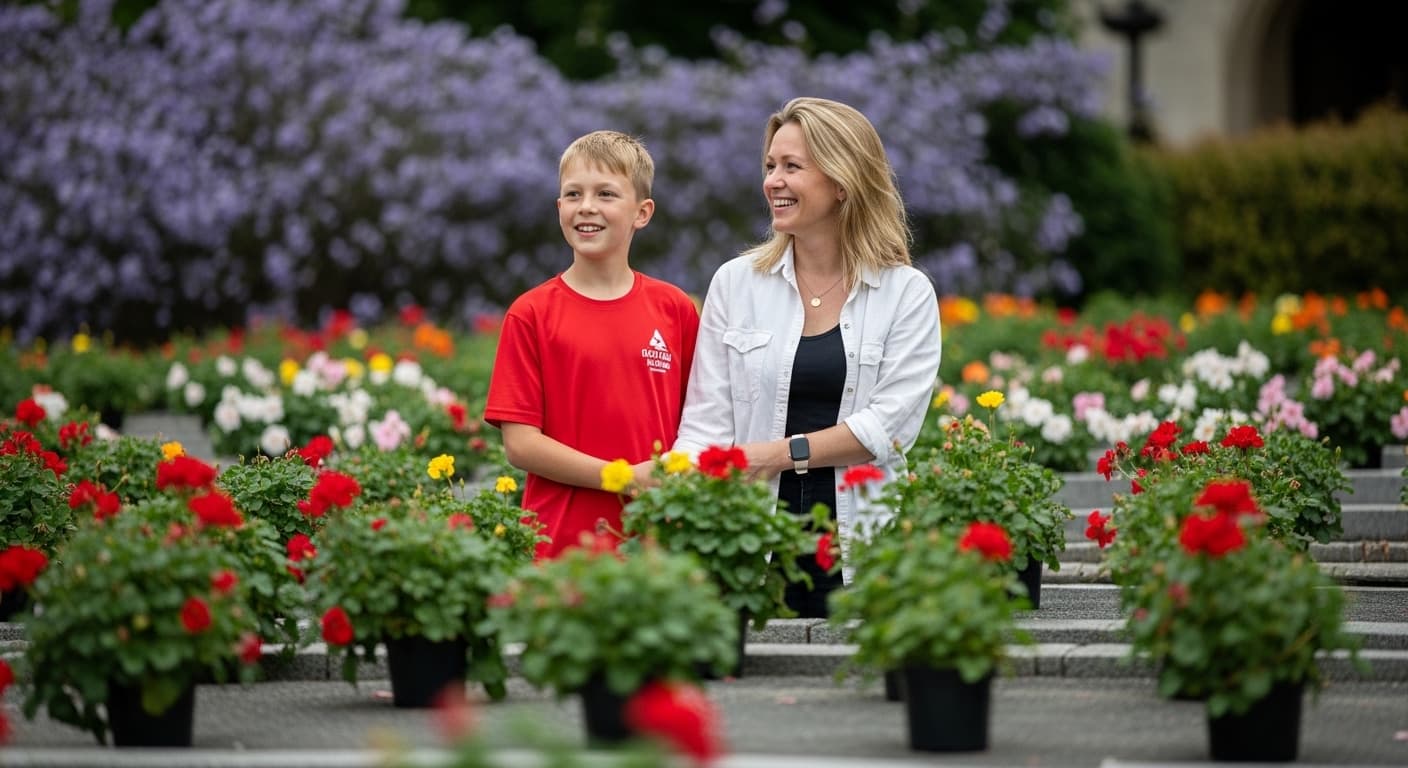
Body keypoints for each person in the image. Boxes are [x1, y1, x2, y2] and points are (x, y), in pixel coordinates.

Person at [672, 97, 942, 616]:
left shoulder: (906, 293)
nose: (773, 180)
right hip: (747, 548)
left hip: (861, 549)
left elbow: (887, 430)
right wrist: (671, 494)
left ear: (842, 183)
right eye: (770, 166)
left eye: (792, 167)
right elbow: (705, 424)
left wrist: (772, 455)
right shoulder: (735, 283)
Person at [484, 130, 700, 559]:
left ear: (642, 212)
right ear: (559, 207)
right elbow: (521, 444)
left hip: (658, 543)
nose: (587, 207)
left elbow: (702, 422)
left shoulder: (675, 309)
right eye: (573, 194)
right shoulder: (530, 314)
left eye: (606, 194)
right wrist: (621, 476)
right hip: (560, 547)